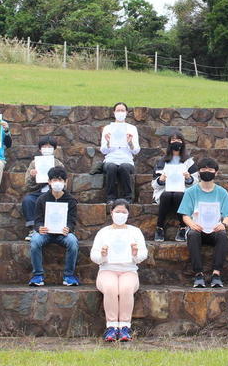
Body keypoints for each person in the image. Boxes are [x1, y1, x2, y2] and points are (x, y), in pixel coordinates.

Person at [90, 200, 148, 342]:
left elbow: (143, 254)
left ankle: (124, 327)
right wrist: (103, 255)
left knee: (126, 288)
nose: (120, 215)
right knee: (110, 288)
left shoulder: (135, 231)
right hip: (107, 270)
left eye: (124, 212)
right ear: (111, 213)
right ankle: (111, 327)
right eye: (117, 212)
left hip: (129, 270)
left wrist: (135, 254)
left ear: (128, 214)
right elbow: (94, 255)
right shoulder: (104, 232)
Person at [178, 158, 228, 288]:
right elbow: (185, 215)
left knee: (222, 235)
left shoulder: (222, 192)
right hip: (197, 229)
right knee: (192, 235)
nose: (207, 172)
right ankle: (198, 274)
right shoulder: (190, 192)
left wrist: (224, 225)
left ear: (216, 172)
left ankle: (216, 274)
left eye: (210, 169)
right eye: (203, 169)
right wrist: (191, 224)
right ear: (199, 172)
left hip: (215, 229)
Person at [28, 167, 80, 287]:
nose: (57, 183)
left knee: (73, 242)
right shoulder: (42, 199)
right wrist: (39, 227)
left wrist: (68, 228)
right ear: (49, 182)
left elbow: (72, 221)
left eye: (61, 180)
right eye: (54, 180)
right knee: (35, 241)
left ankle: (68, 275)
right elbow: (37, 220)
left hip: (62, 234)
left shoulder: (71, 200)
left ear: (66, 182)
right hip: (46, 233)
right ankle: (38, 275)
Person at [151, 131, 197, 242]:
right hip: (164, 191)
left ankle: (183, 227)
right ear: (169, 143)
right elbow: (154, 184)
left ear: (183, 143)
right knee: (167, 195)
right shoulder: (162, 162)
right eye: (173, 140)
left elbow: (196, 182)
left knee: (178, 195)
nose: (176, 143)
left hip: (183, 191)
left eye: (178, 140)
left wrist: (188, 178)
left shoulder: (189, 162)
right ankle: (159, 227)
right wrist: (161, 180)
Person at [22, 136, 64, 241]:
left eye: (50, 146)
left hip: (54, 193)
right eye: (44, 146)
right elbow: (27, 185)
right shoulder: (34, 163)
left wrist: (55, 182)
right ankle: (33, 229)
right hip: (38, 192)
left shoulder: (58, 164)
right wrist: (32, 176)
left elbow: (64, 182)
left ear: (54, 149)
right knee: (28, 200)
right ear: (40, 149)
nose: (47, 148)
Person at [99, 102, 140, 203]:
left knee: (124, 167)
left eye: (122, 110)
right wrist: (108, 142)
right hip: (110, 159)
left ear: (126, 113)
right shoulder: (108, 128)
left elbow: (136, 151)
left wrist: (130, 143)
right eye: (118, 110)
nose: (120, 112)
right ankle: (110, 198)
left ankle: (128, 198)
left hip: (127, 160)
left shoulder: (132, 129)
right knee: (111, 167)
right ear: (114, 112)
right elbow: (103, 150)